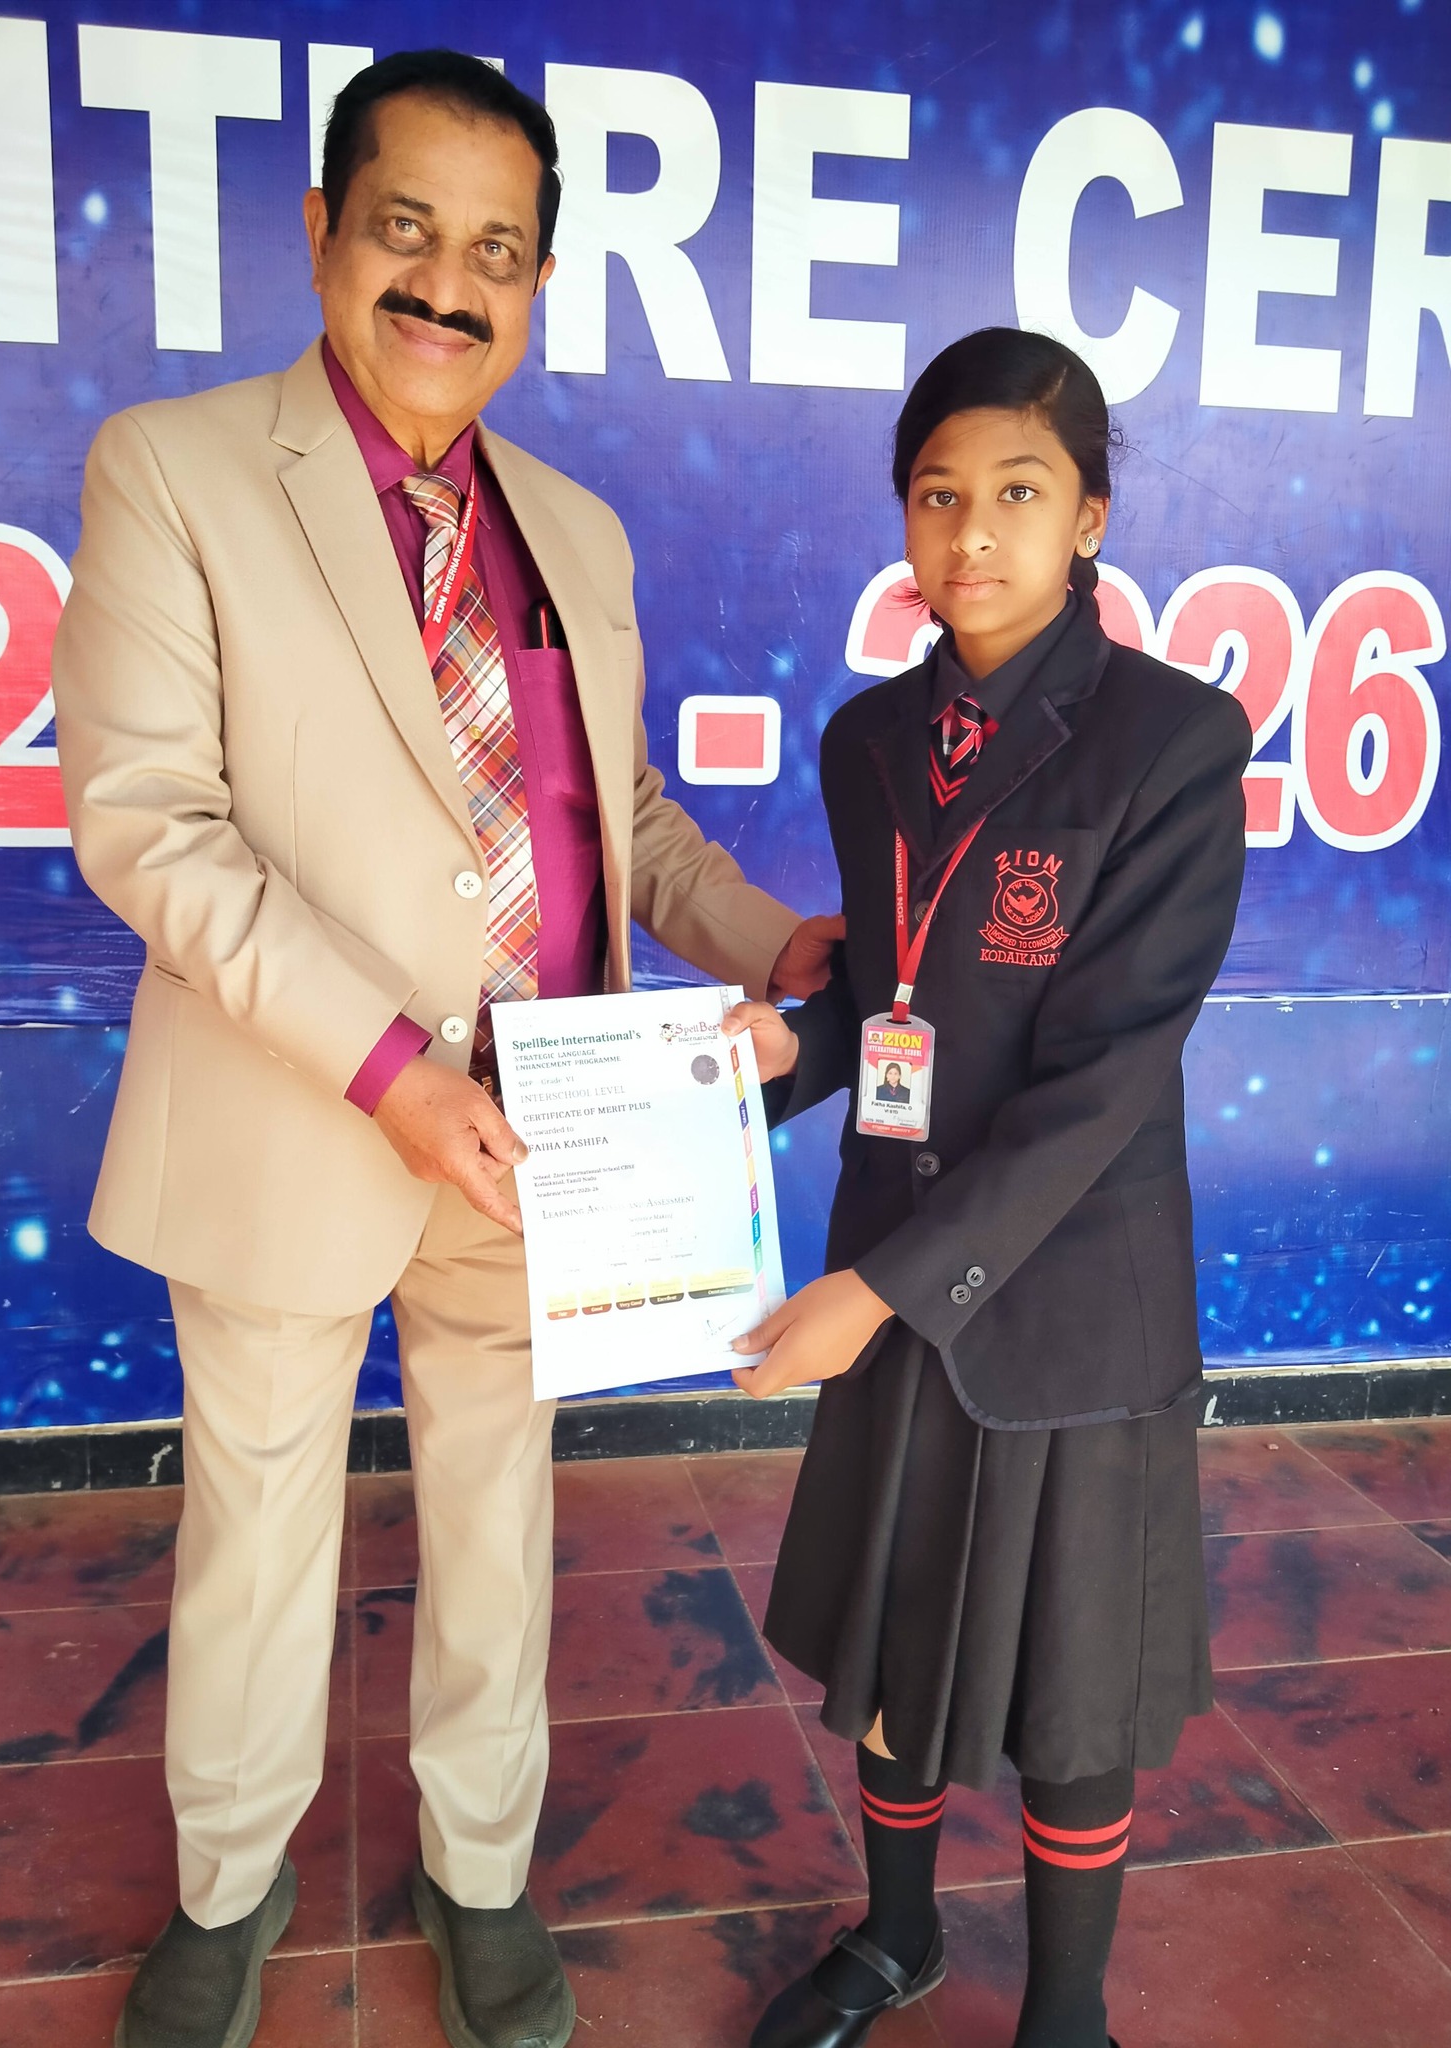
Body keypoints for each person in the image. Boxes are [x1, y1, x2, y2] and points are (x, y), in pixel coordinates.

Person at [52, 50, 837, 2048]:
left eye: (496, 251)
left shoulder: (573, 528)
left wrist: (779, 940)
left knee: (500, 1522)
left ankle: (477, 1873)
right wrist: (394, 1069)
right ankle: (228, 1889)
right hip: (299, 1118)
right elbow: (151, 826)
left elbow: (620, 818)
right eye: (407, 229)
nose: (446, 284)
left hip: (541, 1134)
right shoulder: (176, 470)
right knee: (259, 1540)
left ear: (539, 285)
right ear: (327, 232)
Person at [723, 327, 1250, 2048]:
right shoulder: (868, 740)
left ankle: (1069, 2012)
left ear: (1089, 515)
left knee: (1074, 1692)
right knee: (891, 1642)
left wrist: (878, 1290)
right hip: (893, 1256)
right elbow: (895, 1003)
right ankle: (897, 1941)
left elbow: (1102, 1076)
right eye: (938, 495)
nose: (973, 533)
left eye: (1019, 492)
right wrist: (773, 1058)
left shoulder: (1174, 742)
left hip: (1066, 1295)